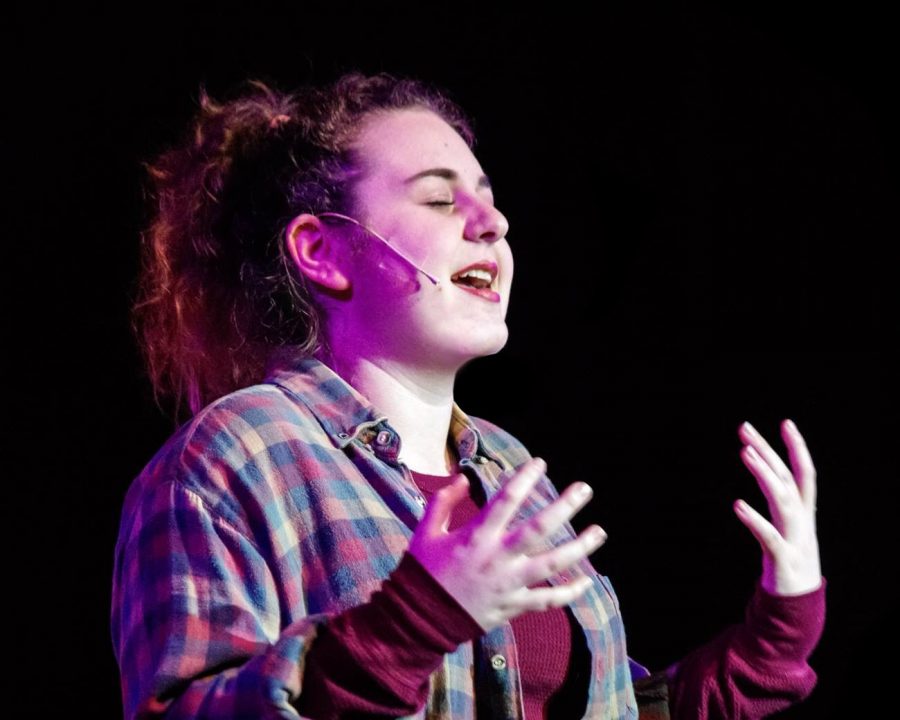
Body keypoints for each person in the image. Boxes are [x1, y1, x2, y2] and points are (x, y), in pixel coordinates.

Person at [110, 71, 826, 719]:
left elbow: (613, 708)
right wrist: (415, 621)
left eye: (490, 199)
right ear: (321, 251)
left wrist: (773, 642)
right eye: (439, 197)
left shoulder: (509, 470)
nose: (493, 223)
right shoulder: (232, 459)